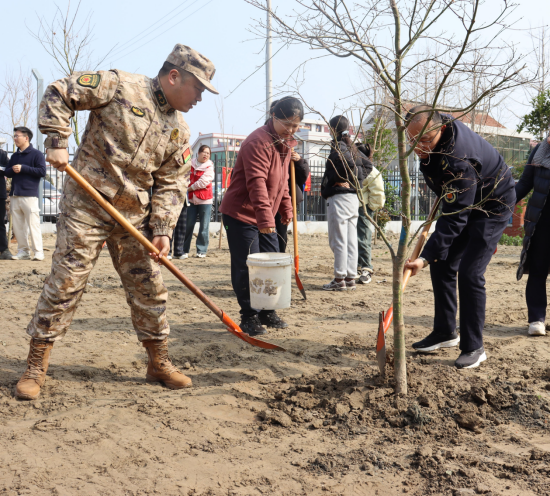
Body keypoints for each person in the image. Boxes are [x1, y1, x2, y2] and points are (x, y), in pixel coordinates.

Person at [14, 44, 218, 400]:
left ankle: (158, 362)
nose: (200, 97)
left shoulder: (180, 132)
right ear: (174, 76)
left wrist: (163, 231)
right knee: (66, 282)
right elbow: (60, 91)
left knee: (150, 289)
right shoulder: (118, 85)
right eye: (198, 87)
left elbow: (173, 183)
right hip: (87, 205)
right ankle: (36, 364)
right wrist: (57, 140)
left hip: (133, 218)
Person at [404, 105, 516, 369]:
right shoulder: (433, 134)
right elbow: (452, 203)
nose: (418, 147)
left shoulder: (460, 162)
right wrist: (434, 255)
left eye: (425, 141)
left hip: (492, 205)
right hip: (466, 199)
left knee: (469, 272)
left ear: (440, 129)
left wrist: (425, 256)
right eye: (412, 140)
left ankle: (474, 347)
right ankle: (445, 332)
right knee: (443, 263)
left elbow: (455, 218)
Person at [219, 96, 300, 336]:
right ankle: (249, 315)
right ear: (274, 117)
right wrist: (266, 222)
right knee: (248, 266)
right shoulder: (258, 142)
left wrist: (286, 207)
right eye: (287, 124)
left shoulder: (285, 143)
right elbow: (257, 184)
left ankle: (267, 310)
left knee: (272, 265)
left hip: (266, 215)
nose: (292, 130)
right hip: (242, 214)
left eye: (296, 126)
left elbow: (283, 182)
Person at [321, 115, 372, 291]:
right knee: (351, 240)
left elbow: (345, 163)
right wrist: (356, 181)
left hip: (340, 198)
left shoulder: (339, 146)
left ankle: (339, 279)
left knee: (339, 241)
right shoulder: (353, 147)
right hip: (353, 199)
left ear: (333, 129)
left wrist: (340, 179)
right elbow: (368, 166)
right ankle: (350, 278)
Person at [515, 134, 550, 336]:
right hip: (541, 220)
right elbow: (524, 183)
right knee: (538, 268)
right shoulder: (539, 151)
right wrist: (501, 202)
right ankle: (536, 319)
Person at [4, 127, 46, 261]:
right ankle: (23, 251)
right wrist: (12, 169)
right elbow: (7, 172)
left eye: (17, 136)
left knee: (33, 225)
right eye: (14, 136)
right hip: (15, 195)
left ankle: (38, 252)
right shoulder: (15, 156)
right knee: (18, 226)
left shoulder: (37, 154)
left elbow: (42, 172)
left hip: (29, 195)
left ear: (26, 138)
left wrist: (23, 168)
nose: (15, 138)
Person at [182, 144, 214, 258]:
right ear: (198, 153)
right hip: (190, 199)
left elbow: (203, 182)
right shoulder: (190, 163)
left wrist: (189, 188)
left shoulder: (209, 166)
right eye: (204, 152)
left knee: (204, 226)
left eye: (208, 153)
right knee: (188, 225)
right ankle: (184, 250)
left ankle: (201, 250)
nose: (206, 155)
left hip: (205, 200)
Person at [355, 142, 381, 284]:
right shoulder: (356, 169)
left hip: (363, 208)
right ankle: (357, 266)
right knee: (354, 239)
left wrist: (370, 208)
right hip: (354, 207)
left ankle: (367, 268)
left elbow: (378, 192)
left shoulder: (371, 171)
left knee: (363, 239)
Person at [275, 149, 310, 252]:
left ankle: (280, 254)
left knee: (281, 232)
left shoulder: (291, 158)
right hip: (268, 200)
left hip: (284, 200)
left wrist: (299, 161)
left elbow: (302, 176)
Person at [0, 148, 15, 260]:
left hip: (0, 194)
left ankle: (4, 250)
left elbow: (9, 171)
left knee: (0, 223)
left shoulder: (2, 154)